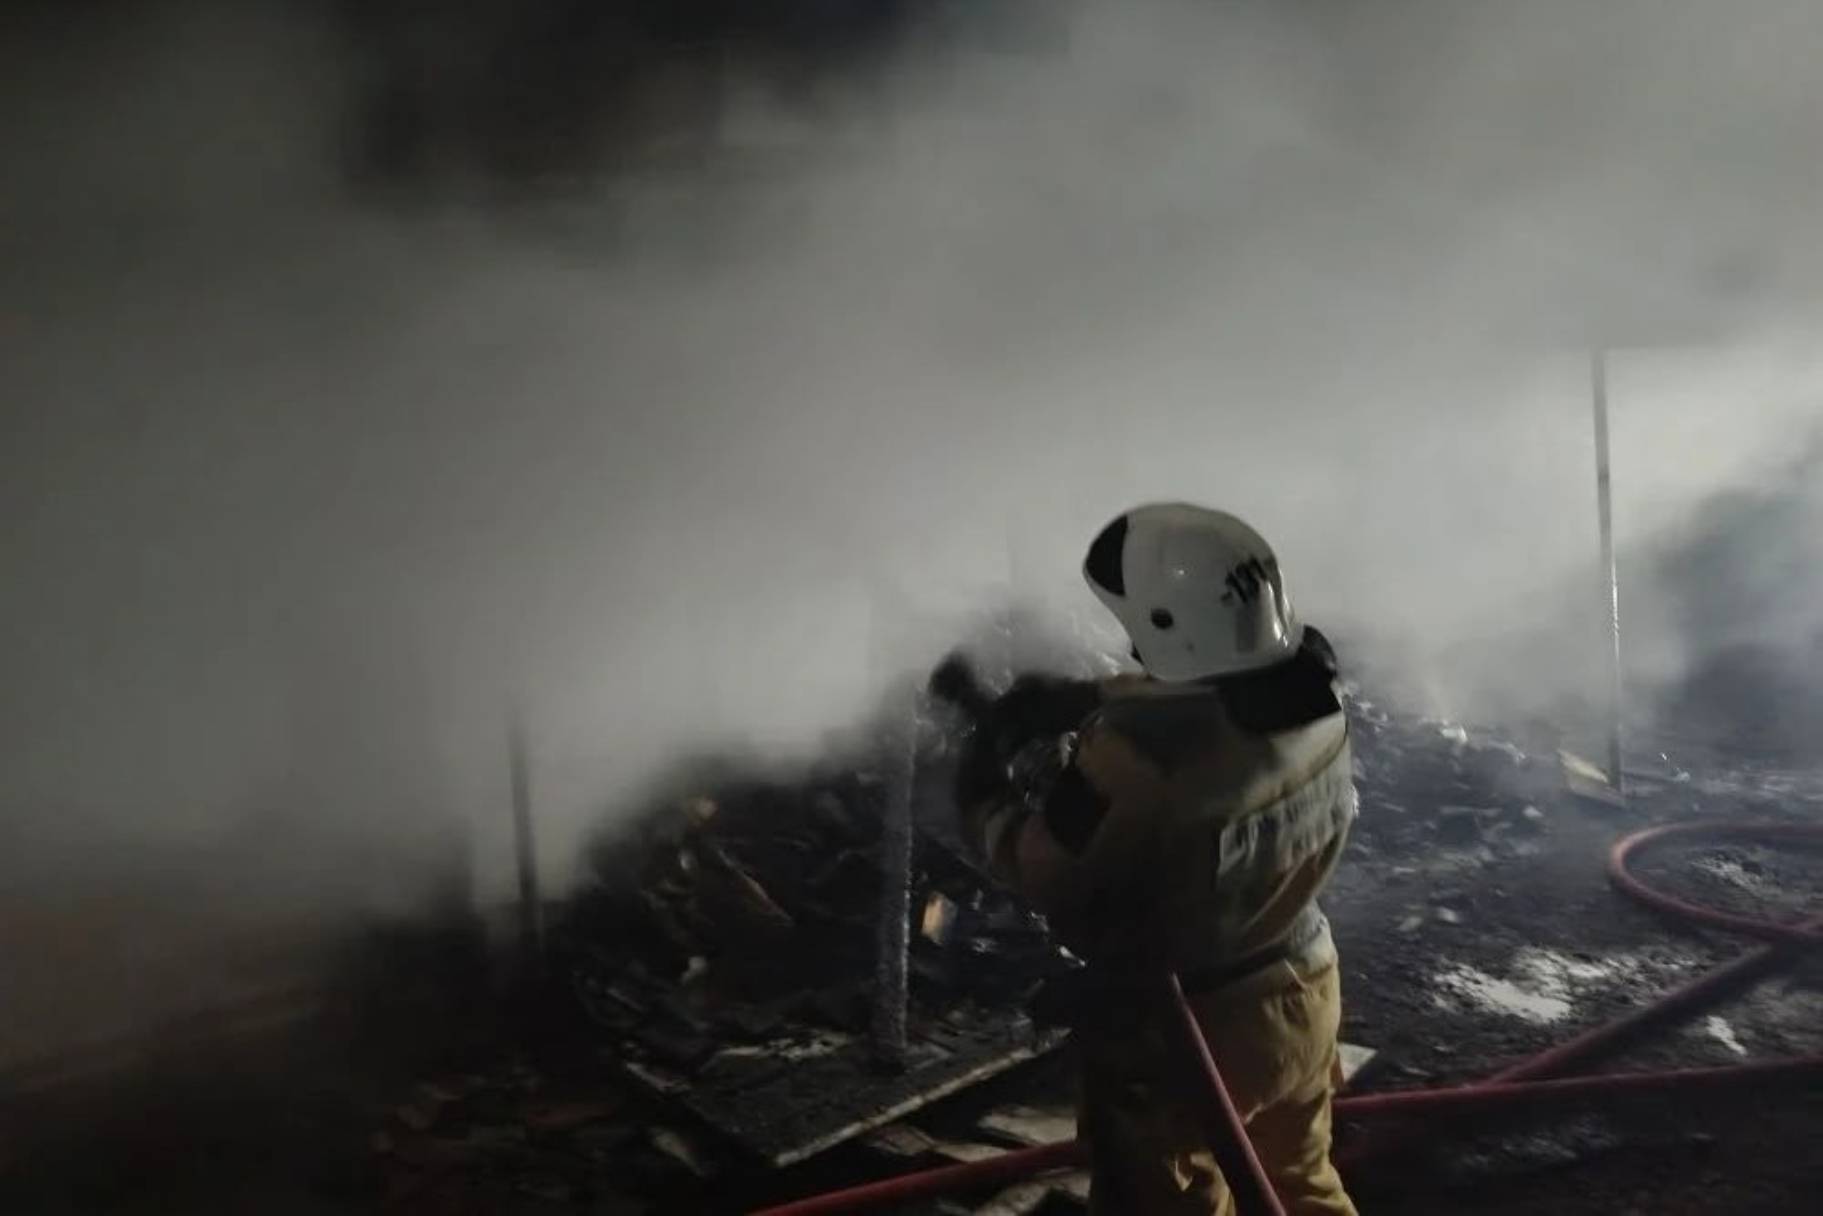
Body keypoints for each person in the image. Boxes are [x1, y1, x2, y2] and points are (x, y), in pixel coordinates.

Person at [948, 502, 1360, 1216]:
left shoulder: (1144, 763)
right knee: (1300, 1185)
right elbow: (1208, 696)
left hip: (1195, 1036)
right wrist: (1084, 697)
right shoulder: (1311, 692)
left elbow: (1044, 870)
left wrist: (982, 797)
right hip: (1305, 984)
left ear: (1171, 624)